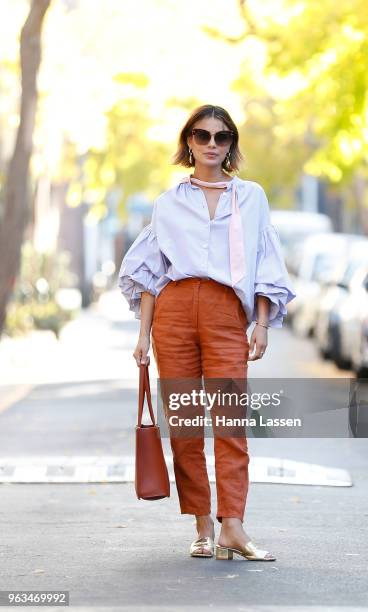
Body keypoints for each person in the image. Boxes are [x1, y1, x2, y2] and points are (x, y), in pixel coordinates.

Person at [118, 104, 296, 561]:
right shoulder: (169, 202)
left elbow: (263, 260)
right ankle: (201, 524)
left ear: (232, 144)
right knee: (185, 424)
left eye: (221, 136)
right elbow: (150, 272)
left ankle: (232, 526)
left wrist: (261, 323)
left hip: (224, 314)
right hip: (173, 312)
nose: (212, 144)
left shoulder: (251, 197)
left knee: (231, 422)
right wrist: (143, 335)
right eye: (202, 136)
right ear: (189, 143)